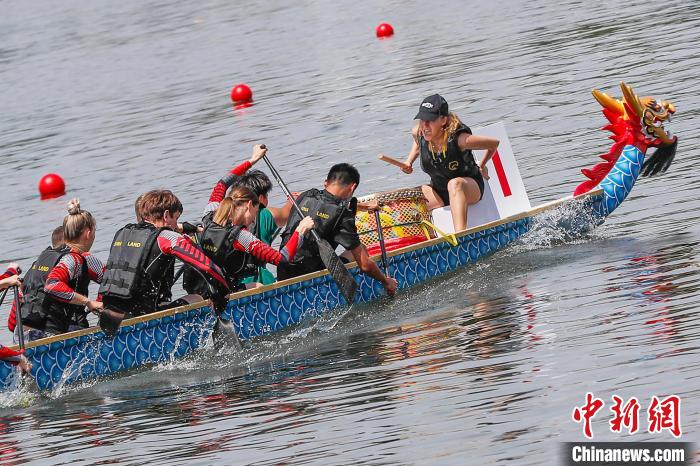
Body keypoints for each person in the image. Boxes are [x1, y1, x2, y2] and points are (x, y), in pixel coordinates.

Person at [99, 189, 230, 317]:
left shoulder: (122, 233)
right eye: (176, 218)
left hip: (111, 317)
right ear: (166, 215)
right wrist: (222, 295)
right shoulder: (168, 237)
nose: (175, 225)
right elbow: (207, 266)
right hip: (144, 318)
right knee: (196, 298)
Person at [276, 163, 398, 296]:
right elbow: (364, 265)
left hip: (283, 269)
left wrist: (363, 206)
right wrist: (386, 281)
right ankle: (365, 291)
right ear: (353, 187)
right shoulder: (343, 215)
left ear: (325, 183)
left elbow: (323, 206)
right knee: (360, 249)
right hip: (309, 276)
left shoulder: (304, 196)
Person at [386, 94, 500, 231]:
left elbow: (494, 144)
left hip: (468, 188)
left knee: (454, 184)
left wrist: (482, 165)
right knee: (409, 197)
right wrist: (409, 161)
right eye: (422, 120)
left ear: (443, 120)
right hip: (439, 190)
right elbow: (418, 143)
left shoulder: (461, 139)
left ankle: (461, 235)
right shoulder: (419, 132)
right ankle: (422, 242)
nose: (425, 125)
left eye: (430, 120)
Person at [185, 182, 315, 294]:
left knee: (254, 286)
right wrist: (300, 230)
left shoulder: (208, 218)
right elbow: (283, 259)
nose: (254, 218)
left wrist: (252, 160)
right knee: (260, 286)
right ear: (249, 205)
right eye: (256, 210)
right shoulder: (240, 236)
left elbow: (221, 185)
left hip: (204, 287)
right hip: (223, 292)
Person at [42, 200, 105, 336]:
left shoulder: (45, 257)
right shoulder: (77, 258)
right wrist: (89, 302)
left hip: (22, 334)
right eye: (94, 231)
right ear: (88, 234)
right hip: (53, 333)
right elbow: (51, 285)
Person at [234, 169, 294, 285]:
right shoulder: (264, 214)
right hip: (257, 281)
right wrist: (292, 200)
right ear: (261, 198)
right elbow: (286, 214)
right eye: (266, 195)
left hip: (232, 282)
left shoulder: (226, 216)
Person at [8, 226, 65, 341]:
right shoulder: (64, 265)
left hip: (18, 335)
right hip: (40, 335)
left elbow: (11, 324)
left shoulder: (34, 268)